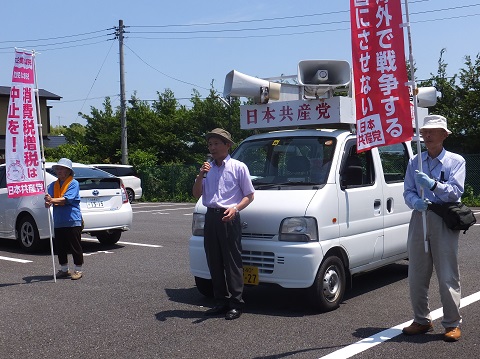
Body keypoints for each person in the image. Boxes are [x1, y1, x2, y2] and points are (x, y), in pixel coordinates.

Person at [402, 115, 465, 342]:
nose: (427, 135)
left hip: (443, 218)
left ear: (444, 135)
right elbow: (408, 191)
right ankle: (421, 319)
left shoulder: (455, 161)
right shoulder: (415, 161)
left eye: (433, 131)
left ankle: (452, 323)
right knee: (417, 271)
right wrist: (414, 201)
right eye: (425, 131)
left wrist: (433, 185)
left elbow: (456, 192)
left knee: (447, 272)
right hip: (419, 217)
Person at [192, 128, 255, 320]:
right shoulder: (207, 169)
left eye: (217, 143)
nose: (212, 147)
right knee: (214, 260)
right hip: (211, 216)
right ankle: (220, 301)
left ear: (227, 145)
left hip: (230, 216)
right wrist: (201, 175)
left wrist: (235, 209)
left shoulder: (238, 167)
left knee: (232, 261)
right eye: (210, 144)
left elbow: (249, 196)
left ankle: (236, 303)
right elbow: (196, 194)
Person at [44, 158, 84, 280]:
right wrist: (47, 201)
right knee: (60, 246)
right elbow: (49, 199)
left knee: (75, 246)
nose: (59, 171)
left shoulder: (73, 183)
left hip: (72, 220)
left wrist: (52, 200)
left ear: (68, 171)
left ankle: (78, 270)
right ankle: (64, 269)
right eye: (58, 169)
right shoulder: (53, 185)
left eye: (62, 169)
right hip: (59, 221)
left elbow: (67, 199)